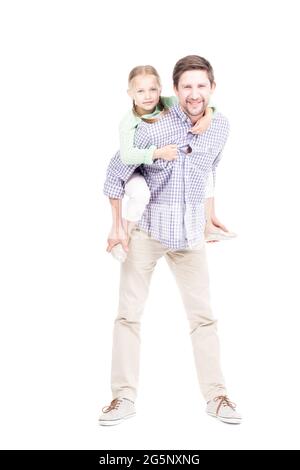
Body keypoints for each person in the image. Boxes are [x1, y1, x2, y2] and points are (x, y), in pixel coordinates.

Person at [99, 55, 242, 425]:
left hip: (191, 235)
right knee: (128, 315)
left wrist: (210, 216)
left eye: (201, 86)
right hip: (147, 232)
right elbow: (115, 174)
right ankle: (123, 398)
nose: (194, 94)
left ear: (212, 89)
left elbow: (209, 170)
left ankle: (218, 397)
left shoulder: (220, 126)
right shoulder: (152, 126)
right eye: (187, 87)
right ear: (174, 91)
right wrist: (117, 226)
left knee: (204, 318)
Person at [109, 65, 236, 262]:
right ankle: (125, 233)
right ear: (130, 94)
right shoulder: (130, 123)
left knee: (204, 172)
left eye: (153, 90)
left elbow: (196, 102)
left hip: (152, 167)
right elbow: (126, 157)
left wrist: (209, 115)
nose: (148, 96)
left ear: (161, 90)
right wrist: (158, 153)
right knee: (142, 194)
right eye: (140, 91)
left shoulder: (166, 103)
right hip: (135, 169)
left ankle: (208, 225)